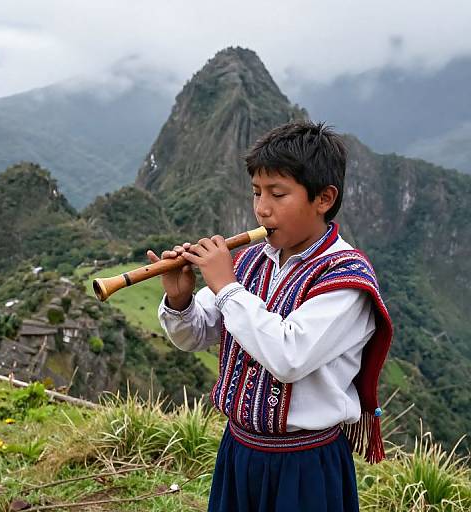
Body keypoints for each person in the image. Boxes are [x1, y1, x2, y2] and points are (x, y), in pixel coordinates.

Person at [147, 121, 393, 512]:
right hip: (240, 450)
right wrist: (180, 301)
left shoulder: (346, 280)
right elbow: (194, 336)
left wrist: (226, 287)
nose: (262, 207)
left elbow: (289, 356)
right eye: (257, 192)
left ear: (324, 199)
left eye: (278, 194)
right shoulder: (248, 262)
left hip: (306, 462)